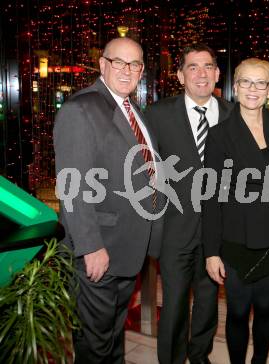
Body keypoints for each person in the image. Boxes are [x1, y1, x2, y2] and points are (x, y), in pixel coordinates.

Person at [54, 37, 164, 363]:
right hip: (98, 251)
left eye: (135, 64)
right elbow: (73, 187)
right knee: (93, 345)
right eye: (119, 62)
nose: (127, 70)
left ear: (142, 70)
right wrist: (90, 247)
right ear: (103, 64)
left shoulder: (132, 109)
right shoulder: (81, 109)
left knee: (113, 337)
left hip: (126, 248)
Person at [146, 43, 234, 364]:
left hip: (217, 232)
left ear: (217, 73)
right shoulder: (157, 115)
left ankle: (200, 357)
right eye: (193, 67)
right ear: (180, 75)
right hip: (174, 229)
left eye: (207, 66)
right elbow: (143, 170)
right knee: (174, 303)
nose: (201, 74)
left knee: (209, 300)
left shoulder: (233, 115)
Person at [202, 58, 269, 364]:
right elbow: (211, 197)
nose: (252, 89)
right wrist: (211, 251)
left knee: (266, 309)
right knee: (238, 311)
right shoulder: (219, 134)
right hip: (236, 240)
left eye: (261, 83)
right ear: (235, 87)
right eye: (245, 82)